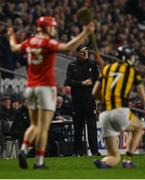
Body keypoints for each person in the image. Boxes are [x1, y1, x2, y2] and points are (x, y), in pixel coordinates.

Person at [7, 16, 95, 169]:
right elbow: (68, 47)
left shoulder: (30, 41)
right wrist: (85, 33)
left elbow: (14, 48)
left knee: (34, 125)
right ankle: (39, 161)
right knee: (43, 126)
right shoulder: (48, 42)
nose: (54, 29)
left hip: (32, 87)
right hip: (46, 88)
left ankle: (24, 150)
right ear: (47, 27)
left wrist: (10, 37)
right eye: (52, 26)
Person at [92, 45, 145, 168]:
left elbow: (94, 93)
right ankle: (128, 160)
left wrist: (103, 96)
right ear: (127, 57)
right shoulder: (132, 71)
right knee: (139, 128)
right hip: (120, 111)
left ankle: (104, 162)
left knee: (114, 156)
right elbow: (143, 98)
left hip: (104, 114)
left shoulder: (107, 69)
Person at [66, 44, 100, 156]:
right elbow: (69, 81)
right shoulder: (72, 65)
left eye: (86, 51)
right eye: (82, 52)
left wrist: (93, 84)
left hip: (89, 101)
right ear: (77, 53)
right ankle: (77, 152)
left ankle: (95, 151)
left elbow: (98, 81)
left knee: (92, 127)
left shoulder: (93, 64)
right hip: (77, 101)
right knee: (78, 127)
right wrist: (81, 83)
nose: (85, 54)